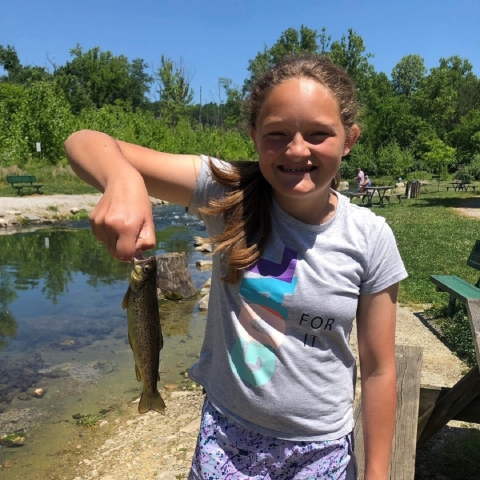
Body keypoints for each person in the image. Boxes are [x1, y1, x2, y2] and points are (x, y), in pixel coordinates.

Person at [64, 53, 407, 480]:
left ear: (350, 138)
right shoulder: (226, 193)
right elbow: (83, 140)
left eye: (319, 134)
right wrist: (123, 179)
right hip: (227, 440)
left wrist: (377, 474)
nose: (297, 149)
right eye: (276, 134)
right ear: (254, 136)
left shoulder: (371, 237)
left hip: (323, 452)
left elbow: (378, 370)